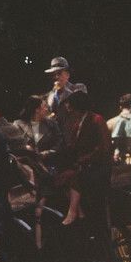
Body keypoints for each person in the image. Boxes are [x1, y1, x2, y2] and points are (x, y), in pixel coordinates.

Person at [51, 89, 113, 227]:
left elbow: (103, 148)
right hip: (85, 165)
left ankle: (73, 212)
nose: (67, 109)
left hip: (99, 167)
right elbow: (72, 147)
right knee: (60, 178)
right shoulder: (76, 123)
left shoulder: (96, 120)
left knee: (75, 178)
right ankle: (80, 212)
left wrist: (82, 161)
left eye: (69, 106)